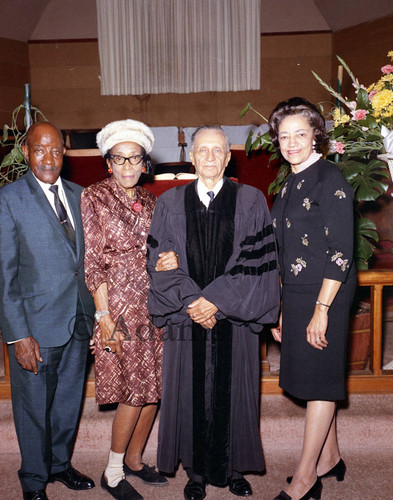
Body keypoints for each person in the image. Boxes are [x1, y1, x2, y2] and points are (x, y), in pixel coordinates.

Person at [146, 125, 281, 500]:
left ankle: (234, 468)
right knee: (189, 390)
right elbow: (159, 261)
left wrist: (216, 301)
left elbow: (255, 262)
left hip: (234, 319)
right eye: (202, 150)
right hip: (186, 318)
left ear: (227, 157)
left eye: (216, 150)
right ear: (192, 157)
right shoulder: (170, 203)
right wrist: (193, 301)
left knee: (236, 389)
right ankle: (195, 472)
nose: (208, 156)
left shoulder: (251, 200)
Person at [0, 122, 96, 500]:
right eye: (39, 150)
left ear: (65, 153)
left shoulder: (81, 196)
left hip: (77, 321)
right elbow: (3, 276)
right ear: (25, 152)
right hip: (34, 328)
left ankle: (60, 465)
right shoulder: (8, 201)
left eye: (55, 151)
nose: (48, 158)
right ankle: (34, 480)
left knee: (68, 401)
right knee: (33, 408)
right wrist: (18, 335)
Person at [81, 119, 178, 500]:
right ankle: (113, 471)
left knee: (155, 388)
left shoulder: (154, 201)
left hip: (154, 304)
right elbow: (93, 263)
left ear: (144, 163)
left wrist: (168, 259)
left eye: (133, 159)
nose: (126, 167)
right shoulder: (94, 196)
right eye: (118, 159)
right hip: (118, 307)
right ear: (108, 163)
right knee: (132, 392)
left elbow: (159, 251)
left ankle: (136, 460)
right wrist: (104, 318)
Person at [268, 97, 357, 500]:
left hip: (328, 292)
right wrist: (283, 307)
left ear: (316, 135)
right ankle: (330, 456)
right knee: (317, 375)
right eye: (284, 136)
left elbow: (341, 250)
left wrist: (321, 310)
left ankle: (306, 478)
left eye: (300, 134)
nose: (291, 143)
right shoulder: (289, 183)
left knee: (320, 384)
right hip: (299, 293)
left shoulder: (330, 177)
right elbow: (285, 252)